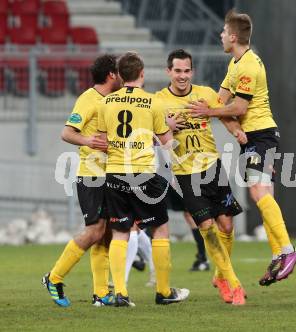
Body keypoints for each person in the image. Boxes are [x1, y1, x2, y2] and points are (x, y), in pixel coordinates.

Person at [188, 10, 296, 286]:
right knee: (264, 198)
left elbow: (238, 107)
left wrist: (210, 113)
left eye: (224, 32)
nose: (220, 36)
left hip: (262, 136)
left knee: (257, 192)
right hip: (252, 137)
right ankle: (278, 254)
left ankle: (287, 251)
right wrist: (233, 127)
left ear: (234, 36)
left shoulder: (249, 65)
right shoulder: (235, 64)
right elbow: (219, 102)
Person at [97, 51, 189, 306]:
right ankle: (163, 291)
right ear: (142, 74)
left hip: (115, 173)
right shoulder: (154, 103)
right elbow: (167, 143)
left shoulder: (106, 102)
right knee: (160, 228)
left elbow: (103, 141)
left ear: (119, 77)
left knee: (119, 232)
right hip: (144, 175)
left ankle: (121, 294)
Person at [156, 48, 246, 305]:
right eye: (177, 71)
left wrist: (236, 131)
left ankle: (220, 275)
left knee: (227, 225)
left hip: (213, 168)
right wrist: (167, 129)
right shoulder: (158, 101)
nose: (182, 76)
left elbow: (226, 115)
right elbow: (150, 136)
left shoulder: (206, 93)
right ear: (168, 72)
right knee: (207, 228)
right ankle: (234, 283)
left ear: (192, 71)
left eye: (186, 71)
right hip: (185, 174)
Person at [42, 54, 122, 307]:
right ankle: (53, 277)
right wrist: (89, 141)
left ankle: (101, 293)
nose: (122, 77)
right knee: (95, 231)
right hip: (92, 176)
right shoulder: (88, 99)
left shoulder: (113, 100)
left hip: (109, 174)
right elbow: (67, 132)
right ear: (111, 74)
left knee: (106, 234)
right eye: (119, 72)